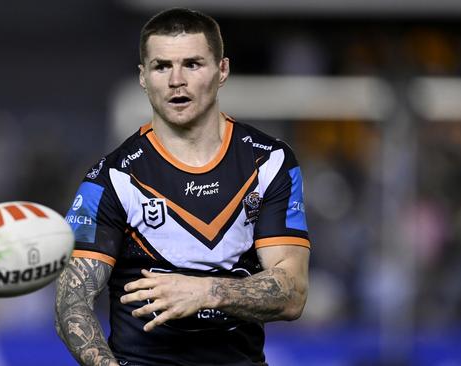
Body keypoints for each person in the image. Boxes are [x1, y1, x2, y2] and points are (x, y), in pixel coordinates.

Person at [55, 7, 310, 366]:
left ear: (222, 71)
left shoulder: (269, 163)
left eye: (192, 64)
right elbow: (72, 302)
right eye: (162, 66)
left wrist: (205, 292)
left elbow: (294, 293)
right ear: (143, 77)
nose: (177, 80)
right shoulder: (111, 178)